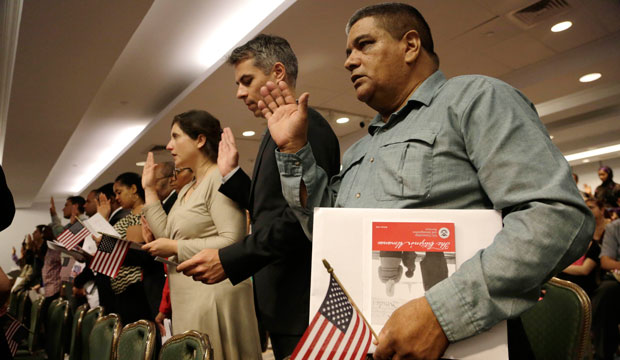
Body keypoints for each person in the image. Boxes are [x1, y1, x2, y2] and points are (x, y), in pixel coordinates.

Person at [258, 3, 593, 358]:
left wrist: (442, 312)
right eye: (348, 52)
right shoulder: (358, 150)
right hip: (372, 343)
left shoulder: (475, 99)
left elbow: (557, 216)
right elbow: (329, 232)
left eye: (364, 44)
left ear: (411, 45)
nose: (349, 61)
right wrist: (295, 149)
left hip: (463, 343)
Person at [174, 34, 340, 359]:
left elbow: (301, 218)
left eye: (246, 80)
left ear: (277, 73)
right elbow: (272, 206)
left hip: (301, 302)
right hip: (281, 301)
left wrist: (230, 258)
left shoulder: (310, 129)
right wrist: (233, 176)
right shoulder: (273, 131)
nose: (239, 93)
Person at [142, 110, 261, 359]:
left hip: (214, 294)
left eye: (176, 136)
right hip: (190, 295)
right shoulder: (189, 188)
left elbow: (232, 240)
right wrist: (150, 190)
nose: (169, 145)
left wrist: (175, 248)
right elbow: (167, 234)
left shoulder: (217, 177)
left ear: (200, 140)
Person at [96, 172, 164, 326]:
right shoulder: (126, 218)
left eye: (119, 192)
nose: (117, 198)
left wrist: (106, 244)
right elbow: (105, 253)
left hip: (135, 288)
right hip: (120, 289)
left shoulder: (143, 215)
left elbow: (137, 254)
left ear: (133, 189)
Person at [592, 219, 620, 360]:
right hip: (617, 279)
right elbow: (606, 261)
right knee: (606, 292)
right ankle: (603, 354)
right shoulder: (614, 227)